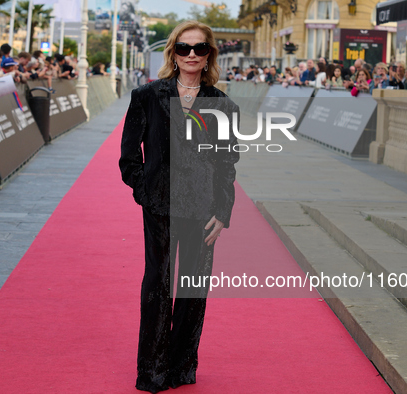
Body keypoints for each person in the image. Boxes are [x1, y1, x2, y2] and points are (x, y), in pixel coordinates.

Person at [119, 20, 239, 394]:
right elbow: (128, 158)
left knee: (192, 289)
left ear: (209, 56)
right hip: (160, 207)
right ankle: (152, 371)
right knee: (156, 285)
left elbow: (226, 163)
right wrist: (146, 191)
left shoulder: (223, 105)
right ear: (173, 52)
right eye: (184, 48)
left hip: (203, 209)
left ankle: (180, 366)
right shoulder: (147, 96)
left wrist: (223, 212)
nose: (191, 55)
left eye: (199, 48)